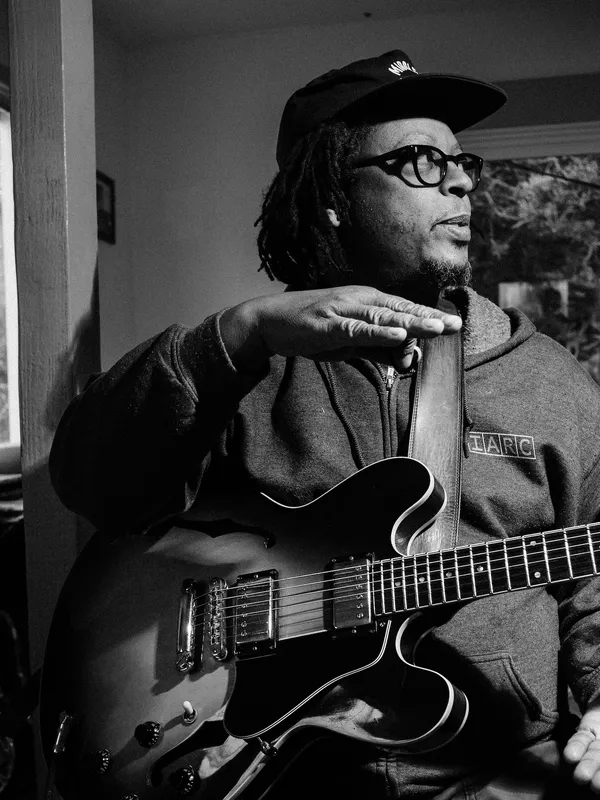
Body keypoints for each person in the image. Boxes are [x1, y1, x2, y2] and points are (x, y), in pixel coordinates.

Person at [49, 49, 600, 799]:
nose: (464, 181)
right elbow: (90, 480)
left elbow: (590, 585)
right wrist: (239, 334)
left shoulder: (551, 381)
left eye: (462, 161)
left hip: (498, 776)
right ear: (334, 196)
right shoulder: (248, 367)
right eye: (421, 162)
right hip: (271, 773)